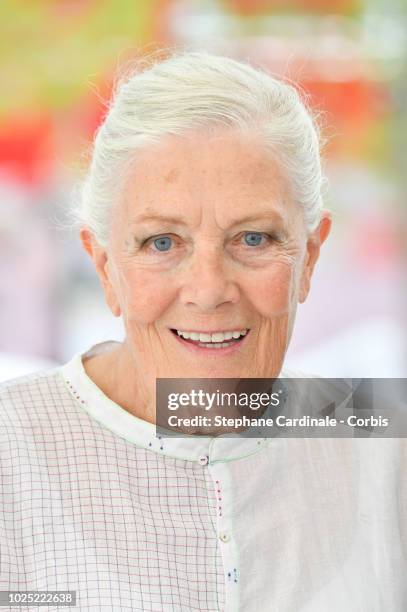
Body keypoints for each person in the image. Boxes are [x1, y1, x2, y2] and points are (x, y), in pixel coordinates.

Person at [0, 51, 405, 612]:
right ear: (103, 266)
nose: (209, 289)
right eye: (161, 243)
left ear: (309, 258)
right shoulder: (10, 449)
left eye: (254, 239)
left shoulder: (382, 446)